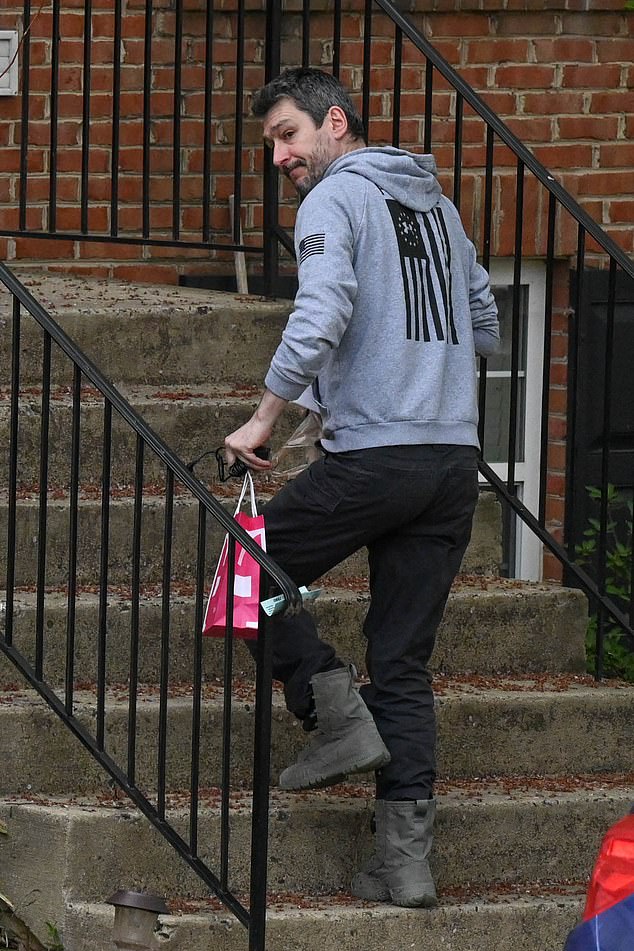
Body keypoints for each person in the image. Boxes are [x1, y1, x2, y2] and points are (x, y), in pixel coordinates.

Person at [223, 67, 499, 909]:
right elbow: (483, 321)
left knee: (243, 575)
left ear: (333, 122)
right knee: (404, 663)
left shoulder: (333, 202)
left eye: (287, 135)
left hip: (377, 457)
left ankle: (336, 718)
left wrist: (265, 421)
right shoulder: (441, 211)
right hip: (451, 462)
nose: (279, 155)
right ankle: (405, 864)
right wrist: (419, 377)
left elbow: (324, 307)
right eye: (271, 141)